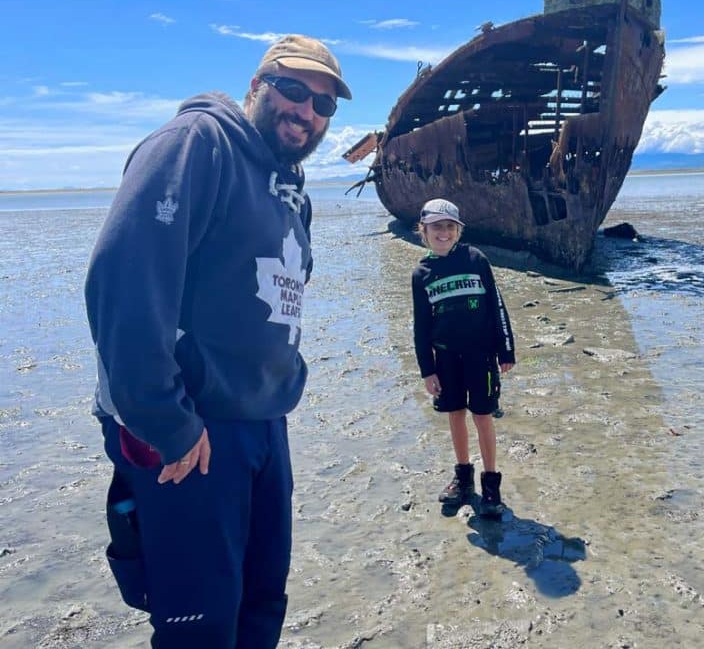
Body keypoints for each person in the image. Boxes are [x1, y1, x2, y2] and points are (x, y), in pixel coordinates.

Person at [84, 34, 351, 647]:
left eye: (324, 104)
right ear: (258, 86)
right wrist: (165, 421)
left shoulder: (290, 191)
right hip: (195, 433)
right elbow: (124, 283)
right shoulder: (195, 147)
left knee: (260, 606)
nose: (307, 111)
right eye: (293, 89)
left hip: (263, 424)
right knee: (198, 626)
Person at [411, 199, 516, 518]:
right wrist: (427, 370)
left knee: (483, 415)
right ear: (423, 231)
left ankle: (491, 486)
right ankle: (463, 477)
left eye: (449, 227)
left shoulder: (476, 259)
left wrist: (505, 349)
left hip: (481, 356)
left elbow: (497, 306)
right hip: (445, 360)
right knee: (455, 414)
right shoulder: (421, 274)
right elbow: (421, 326)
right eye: (436, 227)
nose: (443, 233)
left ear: (458, 231)